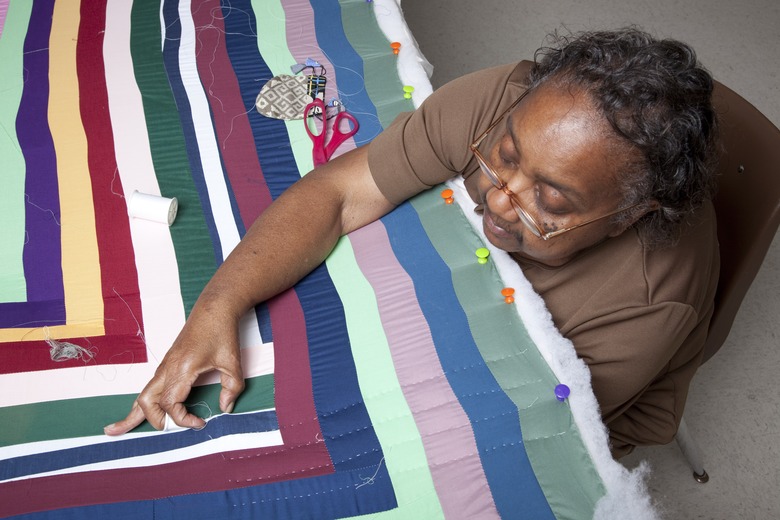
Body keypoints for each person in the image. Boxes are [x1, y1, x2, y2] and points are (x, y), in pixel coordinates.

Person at [106, 28, 720, 458]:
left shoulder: (648, 303)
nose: (498, 200)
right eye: (502, 158)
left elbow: (531, 428)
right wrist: (219, 305)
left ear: (631, 215)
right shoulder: (511, 102)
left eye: (550, 201)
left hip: (560, 406)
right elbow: (341, 192)